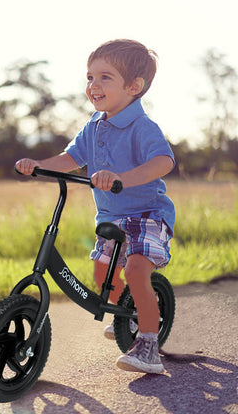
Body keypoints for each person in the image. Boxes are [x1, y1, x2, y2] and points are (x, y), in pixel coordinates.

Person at [15, 39, 175, 374]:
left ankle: (148, 344)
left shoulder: (142, 127)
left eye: (105, 77)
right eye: (90, 77)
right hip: (112, 217)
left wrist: (122, 178)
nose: (93, 85)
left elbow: (163, 162)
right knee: (103, 274)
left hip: (147, 214)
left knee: (134, 271)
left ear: (134, 86)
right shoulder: (95, 124)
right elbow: (72, 157)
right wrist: (38, 165)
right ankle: (126, 318)